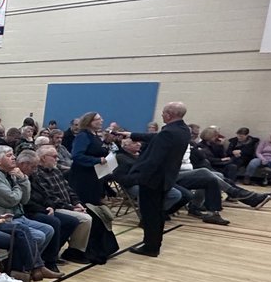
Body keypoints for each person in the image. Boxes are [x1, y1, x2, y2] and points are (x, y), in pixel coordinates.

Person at [0, 147, 61, 278]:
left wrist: (22, 179)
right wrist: (19, 183)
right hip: (0, 219)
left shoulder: (10, 174)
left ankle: (20, 265)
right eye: (9, 155)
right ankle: (21, 268)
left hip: (17, 215)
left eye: (13, 155)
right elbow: (11, 200)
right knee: (38, 236)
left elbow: (24, 199)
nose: (13, 158)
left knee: (48, 229)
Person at [122, 102, 192, 257]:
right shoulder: (183, 129)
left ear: (169, 114)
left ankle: (151, 246)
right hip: (166, 178)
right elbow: (156, 137)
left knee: (150, 214)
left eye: (164, 112)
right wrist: (132, 135)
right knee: (158, 212)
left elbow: (153, 160)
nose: (162, 115)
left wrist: (135, 175)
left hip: (153, 180)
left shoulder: (168, 133)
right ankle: (153, 243)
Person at [69, 112, 111, 206]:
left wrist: (107, 143)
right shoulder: (83, 136)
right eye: (98, 119)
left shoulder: (94, 135)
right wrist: (97, 160)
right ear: (90, 122)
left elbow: (98, 150)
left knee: (95, 201)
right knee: (87, 202)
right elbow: (77, 155)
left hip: (96, 174)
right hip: (84, 176)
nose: (102, 121)